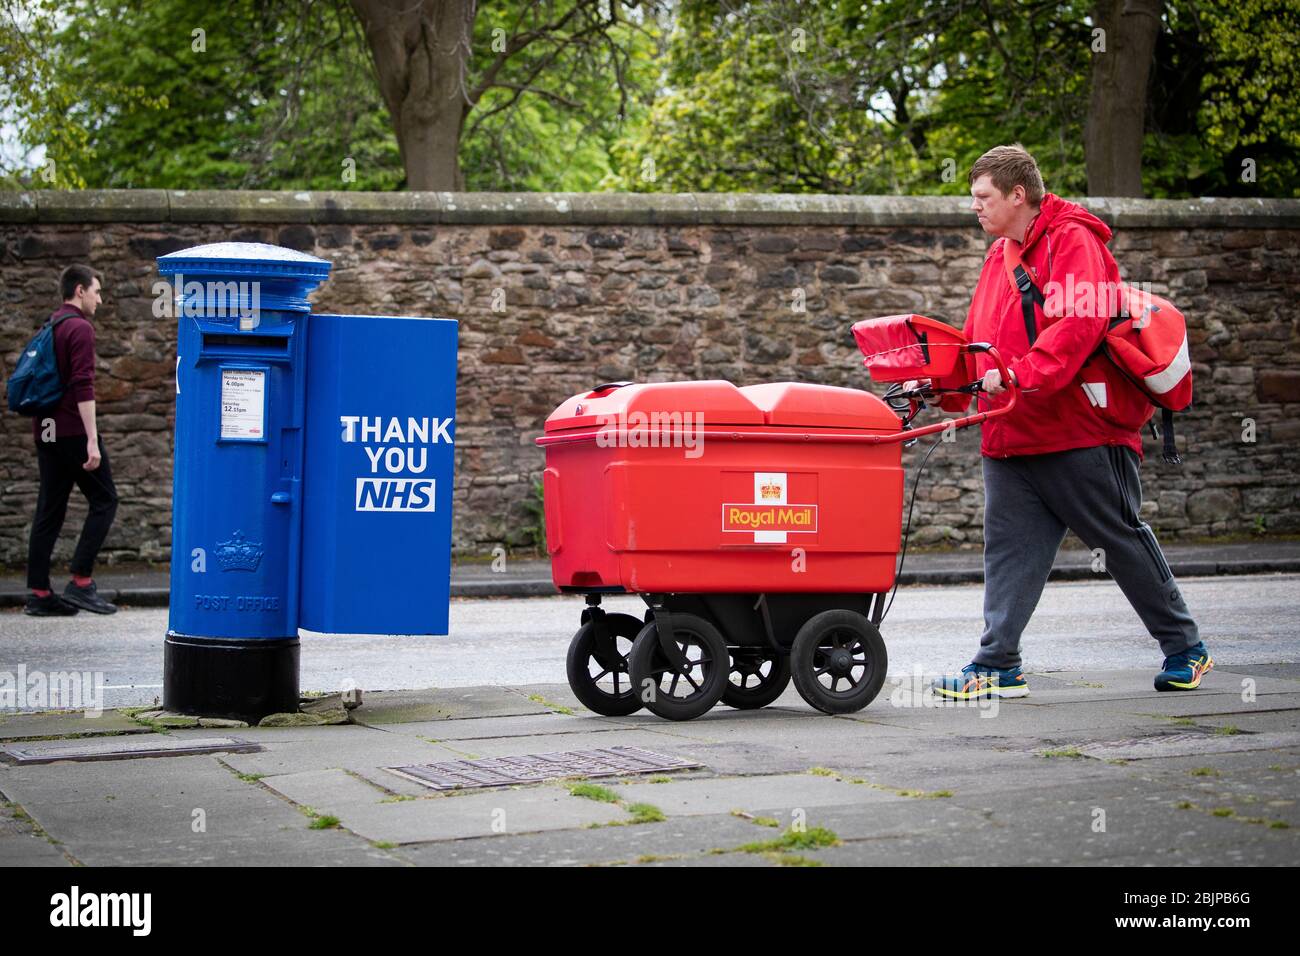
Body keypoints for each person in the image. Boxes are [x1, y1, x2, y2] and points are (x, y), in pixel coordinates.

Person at [920, 144, 1209, 697]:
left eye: (982, 198)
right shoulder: (998, 254)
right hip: (1012, 430)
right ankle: (997, 664)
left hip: (1079, 428)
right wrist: (948, 388)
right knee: (1008, 552)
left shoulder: (1075, 240)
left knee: (1119, 539)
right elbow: (981, 334)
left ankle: (1186, 649)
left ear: (1017, 194)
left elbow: (1080, 322)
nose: (974, 208)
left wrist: (1022, 374)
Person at [24, 264, 119, 616]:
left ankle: (38, 593)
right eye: (96, 291)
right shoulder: (79, 328)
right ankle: (80, 581)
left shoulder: (50, 325)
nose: (100, 298)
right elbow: (82, 385)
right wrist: (92, 440)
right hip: (70, 430)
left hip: (45, 429)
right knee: (105, 499)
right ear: (79, 290)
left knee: (49, 508)